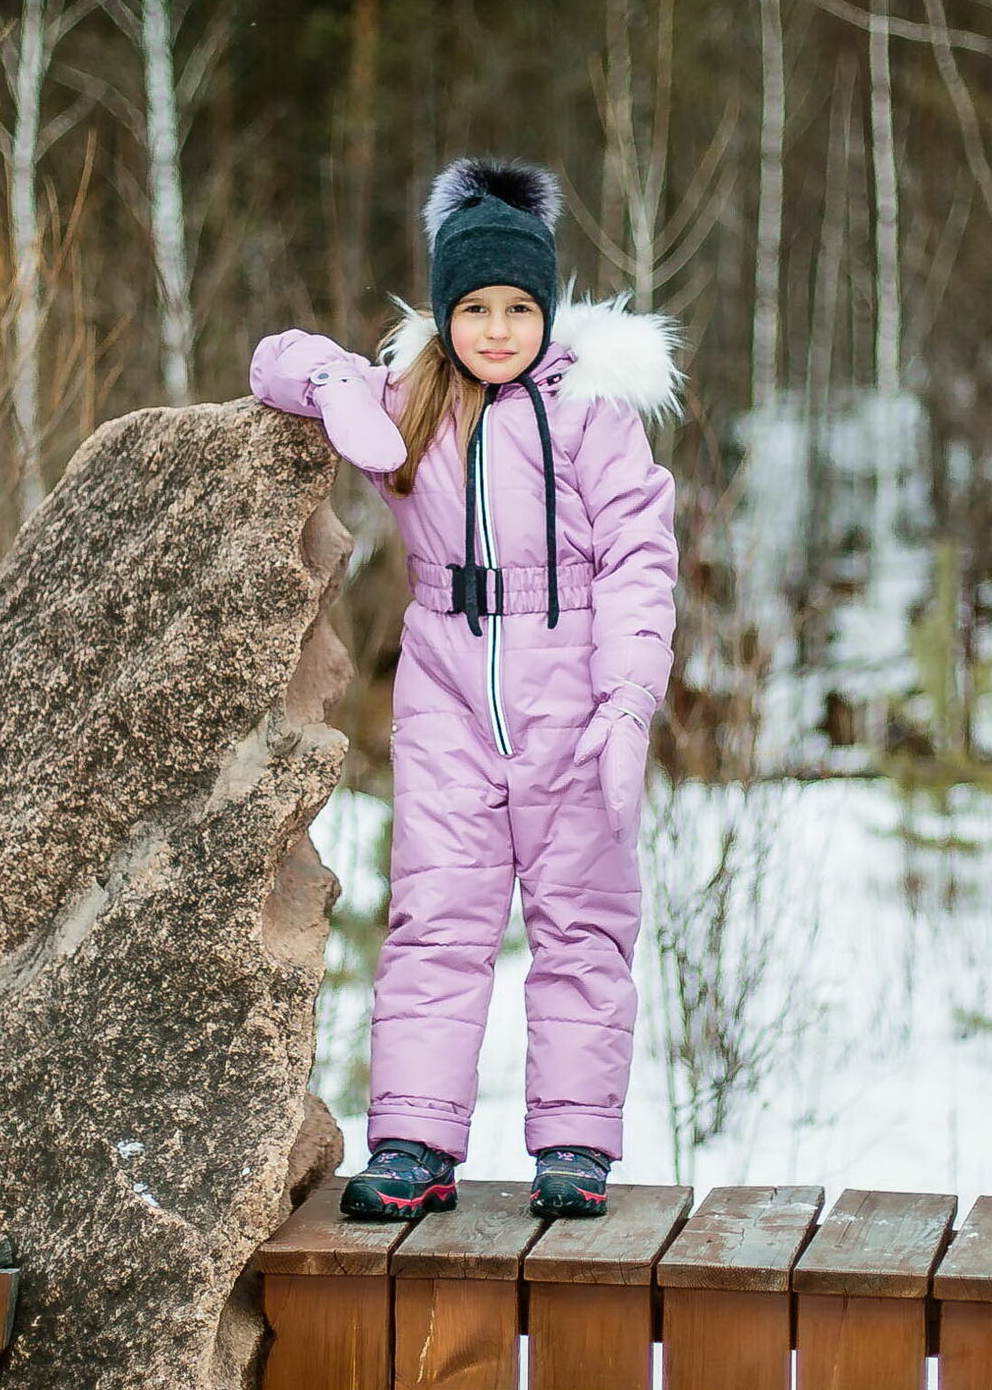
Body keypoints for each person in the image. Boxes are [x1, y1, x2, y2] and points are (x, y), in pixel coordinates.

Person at [248, 156, 681, 1219]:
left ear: (549, 311)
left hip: (575, 700)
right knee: (436, 918)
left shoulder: (590, 413)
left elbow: (640, 560)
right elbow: (275, 358)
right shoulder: (414, 402)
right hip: (446, 696)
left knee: (582, 922)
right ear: (445, 313)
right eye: (475, 307)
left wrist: (627, 704)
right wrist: (335, 386)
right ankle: (413, 1140)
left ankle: (576, 1143)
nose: (497, 328)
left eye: (518, 308)